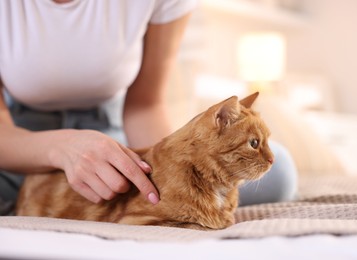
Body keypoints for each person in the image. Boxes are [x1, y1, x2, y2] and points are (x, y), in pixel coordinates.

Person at [0, 0, 297, 215]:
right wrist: (62, 149)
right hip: (20, 140)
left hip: (113, 132)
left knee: (279, 172)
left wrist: (169, 174)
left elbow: (145, 104)